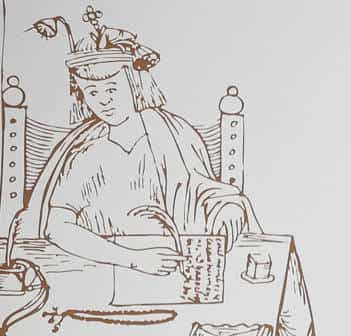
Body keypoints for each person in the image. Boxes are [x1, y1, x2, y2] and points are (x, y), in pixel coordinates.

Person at [20, 13, 253, 274]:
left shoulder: (175, 135)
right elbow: (57, 225)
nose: (104, 101)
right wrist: (132, 259)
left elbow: (204, 190)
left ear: (135, 84)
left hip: (171, 267)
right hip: (98, 268)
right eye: (93, 93)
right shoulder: (85, 152)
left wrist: (229, 210)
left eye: (112, 89)